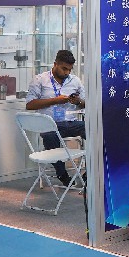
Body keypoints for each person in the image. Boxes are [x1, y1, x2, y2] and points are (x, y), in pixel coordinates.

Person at [25, 49, 85, 185]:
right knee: (49, 136)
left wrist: (78, 102)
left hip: (70, 123)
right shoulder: (40, 80)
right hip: (49, 124)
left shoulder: (75, 81)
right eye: (64, 69)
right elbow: (30, 104)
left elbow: (86, 103)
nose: (67, 72)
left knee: (94, 130)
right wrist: (55, 100)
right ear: (55, 64)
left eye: (69, 69)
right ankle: (61, 173)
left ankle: (90, 172)